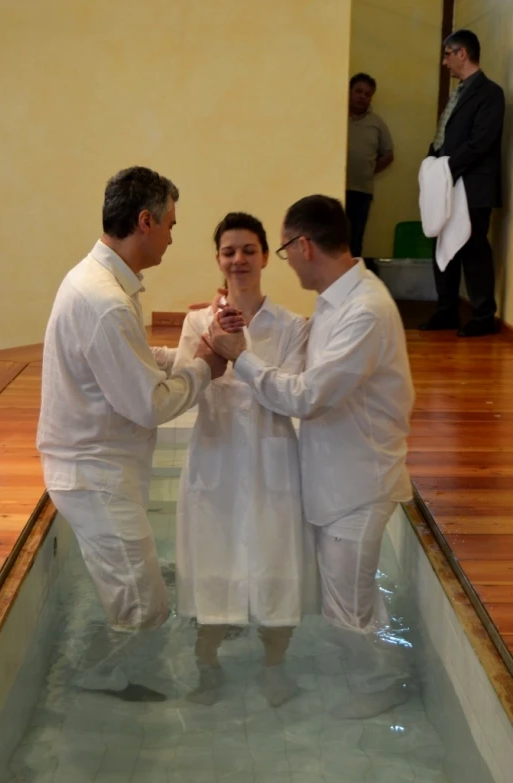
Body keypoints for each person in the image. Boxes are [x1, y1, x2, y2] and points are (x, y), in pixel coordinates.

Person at [208, 195, 415, 719]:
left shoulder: (364, 310)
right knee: (351, 597)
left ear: (302, 246)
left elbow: (306, 396)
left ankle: (387, 685)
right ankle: (378, 668)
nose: (282, 261)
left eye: (277, 250)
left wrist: (242, 358)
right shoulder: (333, 302)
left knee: (346, 607)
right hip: (334, 477)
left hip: (360, 482)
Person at [37, 166, 227, 701]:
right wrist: (205, 369)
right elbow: (148, 404)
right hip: (92, 474)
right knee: (145, 609)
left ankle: (106, 676)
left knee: (140, 600)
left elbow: (131, 363)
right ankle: (98, 687)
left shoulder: (102, 283)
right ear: (145, 221)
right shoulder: (105, 301)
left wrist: (187, 348)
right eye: (170, 224)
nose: (172, 235)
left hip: (95, 467)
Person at [173, 212, 317, 708]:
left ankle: (274, 668)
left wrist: (242, 352)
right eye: (229, 251)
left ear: (263, 257)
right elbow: (185, 394)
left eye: (249, 250)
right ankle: (207, 668)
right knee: (211, 565)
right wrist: (211, 344)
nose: (238, 259)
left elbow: (292, 397)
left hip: (272, 463)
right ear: (218, 258)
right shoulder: (197, 322)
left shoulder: (293, 326)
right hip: (214, 462)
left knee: (277, 564)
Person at [420, 30, 505, 337]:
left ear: (462, 53)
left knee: (473, 248)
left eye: (447, 54)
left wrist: (445, 166)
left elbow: (481, 142)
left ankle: (483, 316)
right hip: (446, 182)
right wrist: (431, 164)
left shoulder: (490, 93)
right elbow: (444, 135)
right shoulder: (458, 92)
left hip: (473, 184)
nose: (444, 62)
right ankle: (446, 311)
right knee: (442, 244)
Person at [346, 73, 394, 259]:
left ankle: (354, 285)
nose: (362, 97)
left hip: (361, 192)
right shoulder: (335, 117)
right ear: (349, 91)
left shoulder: (377, 123)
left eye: (367, 94)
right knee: (331, 241)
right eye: (358, 91)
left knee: (355, 241)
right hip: (334, 189)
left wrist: (368, 170)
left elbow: (388, 154)